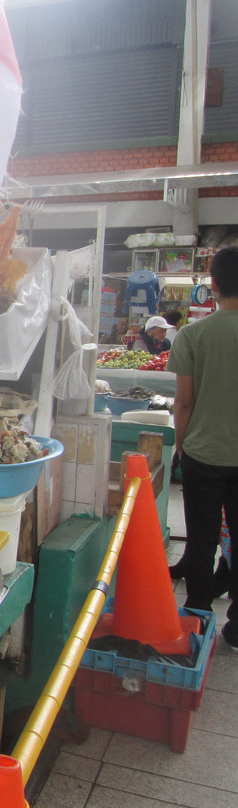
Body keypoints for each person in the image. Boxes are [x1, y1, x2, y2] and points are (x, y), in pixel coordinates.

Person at [165, 245, 238, 651]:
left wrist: (181, 444)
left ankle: (197, 611)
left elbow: (185, 402)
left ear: (213, 286)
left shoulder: (193, 335)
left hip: (204, 454)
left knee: (203, 534)